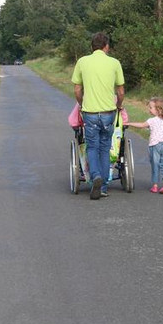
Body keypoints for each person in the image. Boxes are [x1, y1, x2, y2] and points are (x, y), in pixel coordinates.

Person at [71, 32, 125, 200]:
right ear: (106, 46)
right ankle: (103, 187)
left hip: (90, 113)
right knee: (104, 148)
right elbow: (120, 91)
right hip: (109, 112)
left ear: (92, 47)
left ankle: (95, 176)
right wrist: (118, 105)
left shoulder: (82, 62)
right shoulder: (114, 63)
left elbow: (77, 89)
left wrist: (81, 104)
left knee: (92, 147)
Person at [125, 97, 163, 194]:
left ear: (158, 109)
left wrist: (129, 123)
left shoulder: (152, 120)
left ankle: (155, 186)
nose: (149, 109)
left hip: (155, 146)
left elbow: (142, 125)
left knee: (155, 165)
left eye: (151, 107)